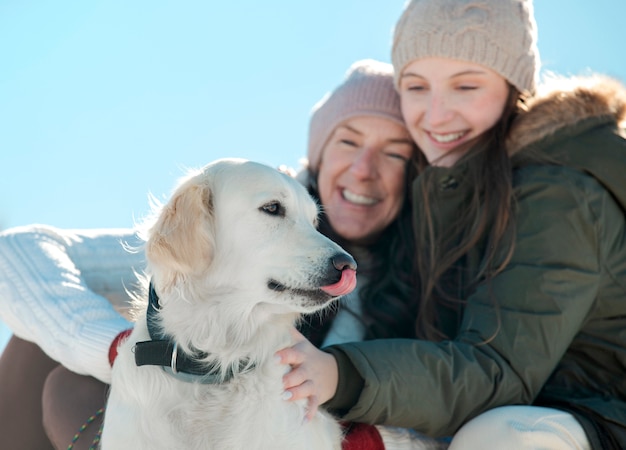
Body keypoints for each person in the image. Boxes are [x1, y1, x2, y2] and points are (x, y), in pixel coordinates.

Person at [0, 59, 426, 449]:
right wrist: (116, 347)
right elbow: (13, 253)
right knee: (44, 349)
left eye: (393, 152)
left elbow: (449, 415)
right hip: (155, 419)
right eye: (349, 142)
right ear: (318, 150)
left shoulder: (431, 273)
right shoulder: (223, 212)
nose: (364, 169)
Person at [278, 1, 626, 449]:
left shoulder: (558, 192)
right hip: (531, 406)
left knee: (503, 437)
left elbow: (496, 369)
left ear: (513, 87)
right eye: (417, 87)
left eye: (466, 86)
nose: (437, 114)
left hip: (591, 418)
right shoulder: (452, 191)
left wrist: (339, 374)